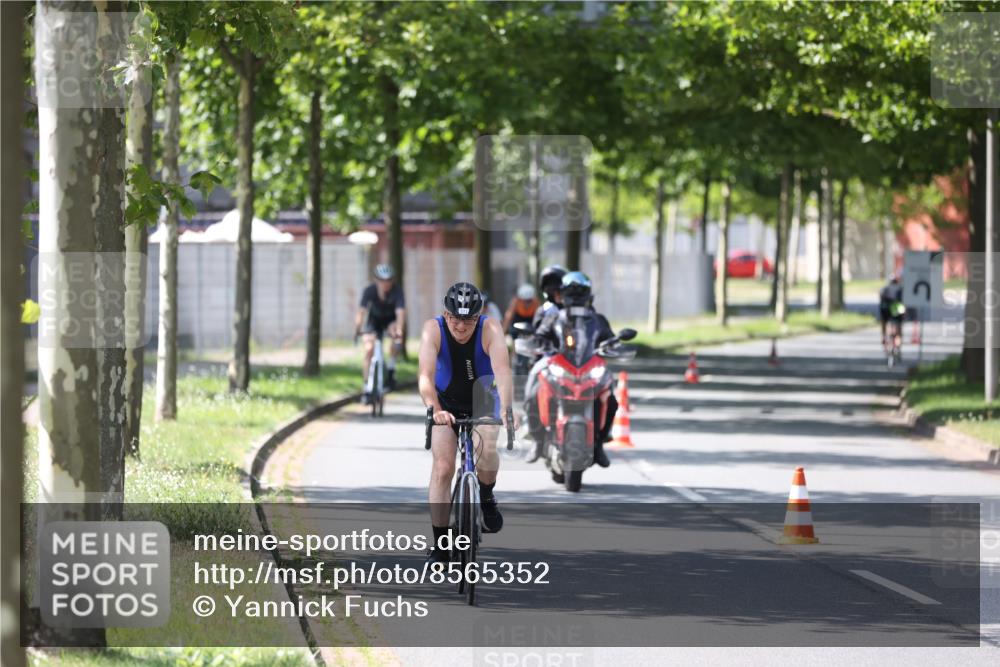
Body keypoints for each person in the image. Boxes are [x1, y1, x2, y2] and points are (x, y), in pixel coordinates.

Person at [418, 282, 517, 564]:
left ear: (479, 316)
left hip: (482, 399)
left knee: (487, 447)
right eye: (455, 318)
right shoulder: (432, 329)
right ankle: (440, 544)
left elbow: (503, 371)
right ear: (445, 314)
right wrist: (435, 408)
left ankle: (485, 496)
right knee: (443, 467)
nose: (461, 327)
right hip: (444, 403)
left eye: (469, 320)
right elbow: (425, 376)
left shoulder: (491, 328)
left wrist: (508, 408)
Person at [523, 271, 618, 468]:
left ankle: (599, 444)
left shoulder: (598, 319)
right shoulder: (553, 317)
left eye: (580, 292)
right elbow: (539, 335)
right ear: (562, 294)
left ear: (589, 294)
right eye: (571, 292)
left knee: (610, 398)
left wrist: (613, 346)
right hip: (558, 365)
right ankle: (538, 442)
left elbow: (610, 339)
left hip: (589, 369)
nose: (576, 297)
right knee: (533, 394)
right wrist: (536, 341)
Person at [355, 263, 405, 403]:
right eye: (382, 280)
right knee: (369, 349)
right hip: (374, 322)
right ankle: (366, 387)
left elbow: (400, 313)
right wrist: (358, 329)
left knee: (396, 338)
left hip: (390, 321)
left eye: (388, 280)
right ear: (376, 280)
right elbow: (362, 311)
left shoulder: (397, 291)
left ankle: (391, 370)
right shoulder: (369, 291)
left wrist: (399, 331)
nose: (385, 283)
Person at [878, 275, 905, 351]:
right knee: (898, 324)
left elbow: (880, 298)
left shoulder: (884, 289)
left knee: (884, 322)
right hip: (897, 308)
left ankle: (883, 336)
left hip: (885, 308)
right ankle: (898, 341)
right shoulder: (900, 289)